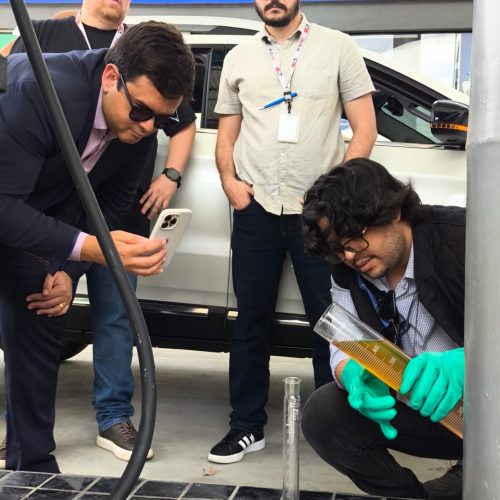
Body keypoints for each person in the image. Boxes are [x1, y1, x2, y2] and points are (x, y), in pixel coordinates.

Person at [0, 20, 195, 473]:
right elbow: (4, 204)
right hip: (6, 199)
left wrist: (65, 271)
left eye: (163, 120)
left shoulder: (140, 124)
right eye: (141, 111)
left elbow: (106, 205)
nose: (148, 127)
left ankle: (32, 465)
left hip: (34, 213)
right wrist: (88, 249)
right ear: (110, 77)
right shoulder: (42, 93)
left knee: (42, 307)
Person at [209, 0, 377, 464]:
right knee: (249, 322)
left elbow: (365, 129)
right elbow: (226, 134)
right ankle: (246, 426)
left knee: (332, 323)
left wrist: (334, 198)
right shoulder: (239, 56)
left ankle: (336, 432)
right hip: (256, 208)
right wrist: (229, 181)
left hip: (319, 214)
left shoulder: (339, 48)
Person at [300, 158, 464, 499]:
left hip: (488, 404)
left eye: (354, 238)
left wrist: (471, 365)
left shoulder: (465, 239)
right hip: (434, 413)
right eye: (337, 249)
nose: (349, 256)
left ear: (393, 212)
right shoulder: (348, 271)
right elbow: (343, 343)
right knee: (324, 414)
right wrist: (353, 375)